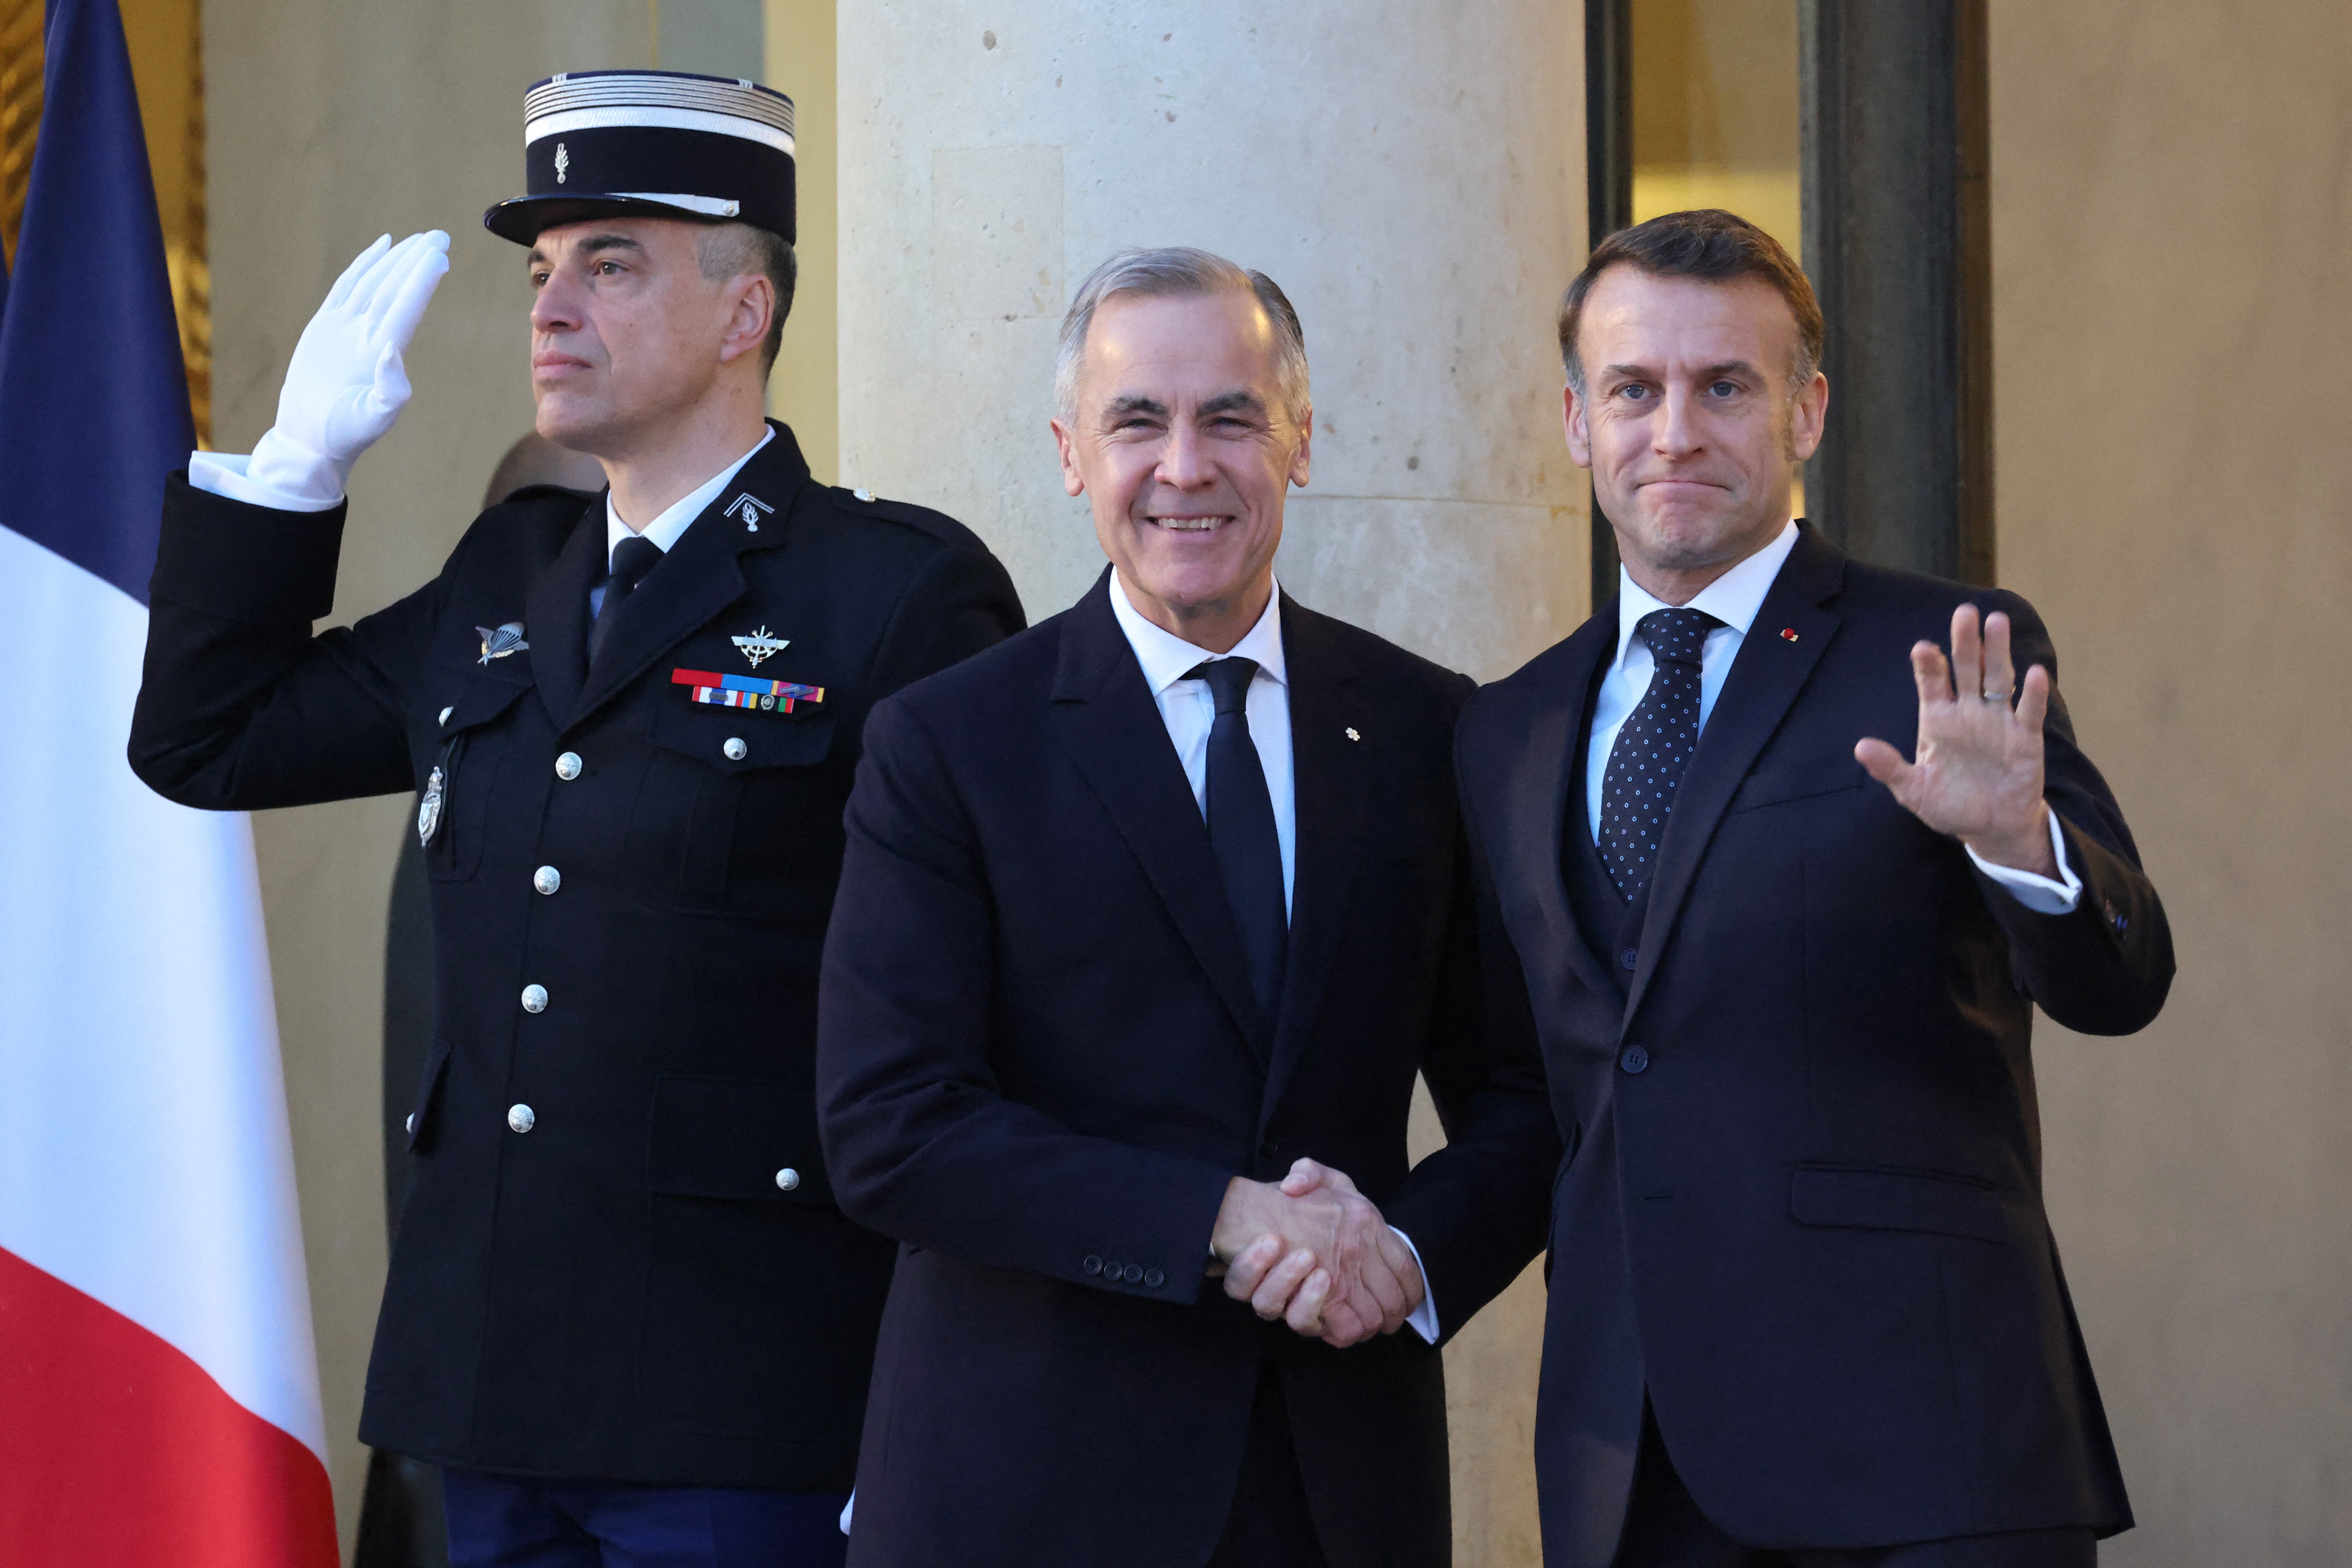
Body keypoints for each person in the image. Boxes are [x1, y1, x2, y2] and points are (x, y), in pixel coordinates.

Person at [130, 69, 1024, 1568]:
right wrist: (291, 479)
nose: (551, 308)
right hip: (491, 1398)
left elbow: (989, 1011)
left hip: (747, 1409)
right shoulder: (512, 579)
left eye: (609, 264)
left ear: (745, 313)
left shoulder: (892, 597)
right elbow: (207, 741)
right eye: (544, 272)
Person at [1446, 209, 2174, 1567]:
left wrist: (2017, 845)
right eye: (1633, 390)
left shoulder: (1943, 650)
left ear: (1807, 411)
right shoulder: (1508, 728)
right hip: (1632, 1463)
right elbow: (1538, 1097)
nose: (1674, 430)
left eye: (1724, 386)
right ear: (1572, 421)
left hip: (1929, 1450)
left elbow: (2120, 982)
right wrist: (1393, 1256)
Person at [813, 247, 1557, 1567]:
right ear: (1067, 453)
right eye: (1135, 421)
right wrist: (1221, 1217)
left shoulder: (1428, 727)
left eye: (1230, 417)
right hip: (1023, 1489)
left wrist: (1405, 1250)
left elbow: (1527, 1093)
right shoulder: (948, 743)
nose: (1185, 465)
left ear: (1301, 441)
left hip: (1336, 1484)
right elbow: (891, 1125)